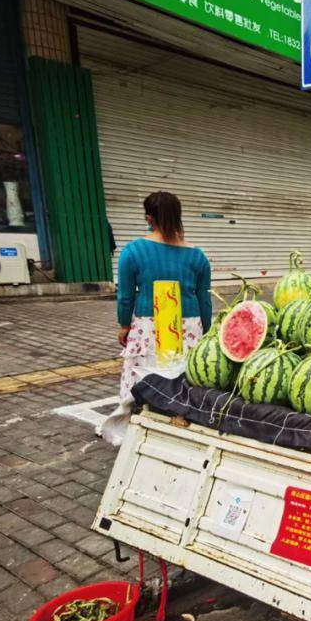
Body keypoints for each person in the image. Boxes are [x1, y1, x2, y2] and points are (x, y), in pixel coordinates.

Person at [99, 191, 212, 445]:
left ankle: (135, 424)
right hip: (189, 326)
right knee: (182, 375)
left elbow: (126, 296)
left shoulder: (134, 251)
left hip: (150, 324)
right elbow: (204, 298)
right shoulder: (197, 255)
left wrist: (124, 324)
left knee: (143, 373)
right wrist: (208, 331)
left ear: (149, 218)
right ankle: (181, 422)